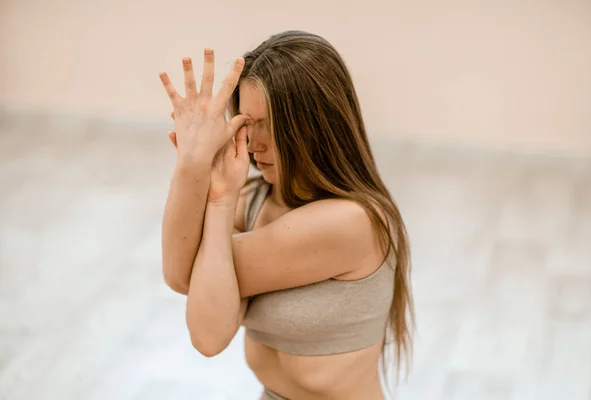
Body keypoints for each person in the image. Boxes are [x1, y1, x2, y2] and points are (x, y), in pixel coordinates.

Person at [159, 30, 414, 400]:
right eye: (248, 123)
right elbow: (203, 318)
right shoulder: (254, 199)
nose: (254, 143)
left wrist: (205, 184)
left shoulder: (351, 223)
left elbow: (185, 280)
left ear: (315, 125)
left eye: (269, 124)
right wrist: (193, 166)